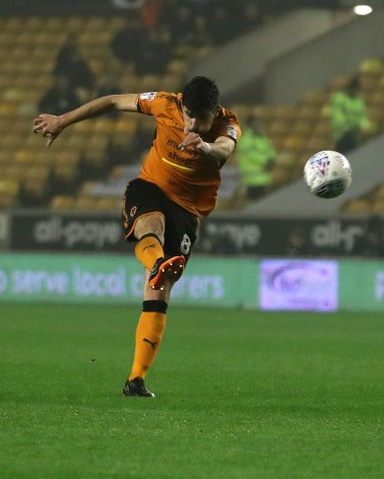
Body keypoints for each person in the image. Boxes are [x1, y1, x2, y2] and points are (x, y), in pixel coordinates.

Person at [32, 76, 241, 398]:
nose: (194, 124)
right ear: (182, 105)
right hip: (150, 188)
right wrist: (63, 121)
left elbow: (224, 150)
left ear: (215, 112)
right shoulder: (164, 103)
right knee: (151, 225)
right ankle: (157, 262)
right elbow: (114, 100)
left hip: (187, 211)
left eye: (202, 119)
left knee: (158, 293)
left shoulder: (228, 125)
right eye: (190, 116)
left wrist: (205, 147)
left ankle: (136, 380)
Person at [238, 120, 276, 200]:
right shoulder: (245, 139)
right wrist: (265, 161)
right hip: (252, 179)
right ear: (250, 126)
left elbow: (270, 149)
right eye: (256, 124)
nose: (259, 126)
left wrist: (272, 159)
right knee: (254, 203)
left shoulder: (261, 137)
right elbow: (250, 155)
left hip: (264, 177)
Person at [330, 78, 371, 153]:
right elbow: (338, 121)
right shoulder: (339, 99)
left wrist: (365, 126)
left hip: (355, 134)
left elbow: (363, 117)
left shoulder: (359, 101)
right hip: (342, 136)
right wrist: (355, 125)